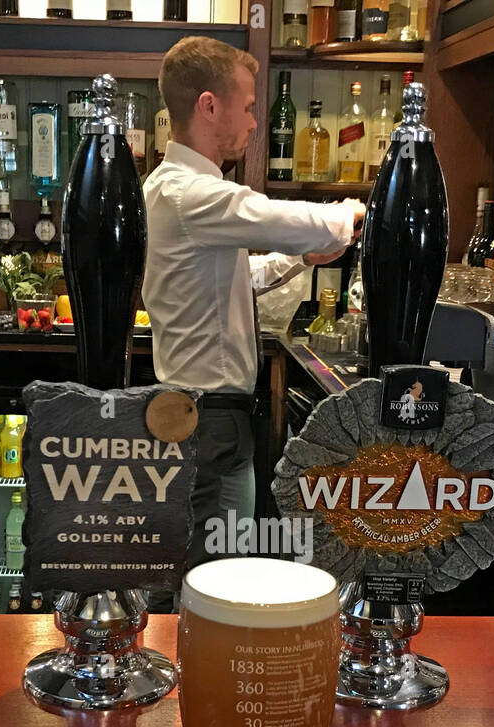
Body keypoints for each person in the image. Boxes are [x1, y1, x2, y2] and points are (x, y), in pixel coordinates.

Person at [143, 36, 364, 576]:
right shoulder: (188, 192)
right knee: (214, 570)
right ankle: (192, 660)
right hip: (210, 417)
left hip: (204, 411)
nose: (253, 122)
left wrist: (300, 259)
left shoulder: (175, 189)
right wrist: (348, 215)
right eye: (246, 106)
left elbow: (235, 275)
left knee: (201, 559)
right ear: (208, 105)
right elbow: (260, 212)